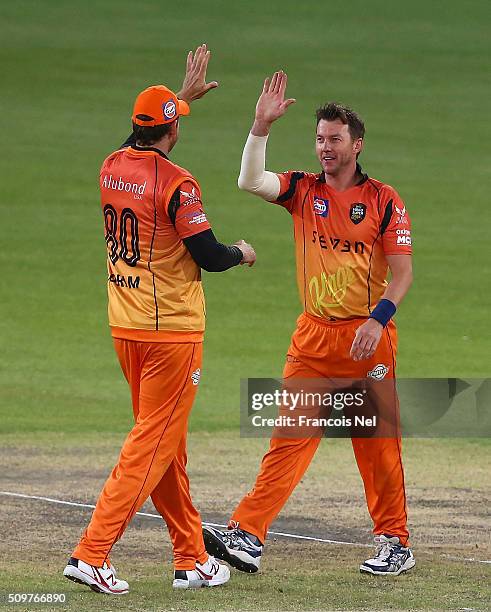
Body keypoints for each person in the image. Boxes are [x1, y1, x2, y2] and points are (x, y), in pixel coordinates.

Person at [203, 71, 415, 576]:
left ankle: (395, 543)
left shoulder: (384, 200)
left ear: (356, 144)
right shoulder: (302, 189)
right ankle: (248, 534)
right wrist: (260, 126)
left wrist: (376, 322)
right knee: (289, 437)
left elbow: (402, 274)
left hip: (367, 339)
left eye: (334, 139)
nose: (325, 147)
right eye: (319, 138)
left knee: (376, 444)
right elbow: (250, 181)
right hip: (313, 336)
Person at [63, 45, 256, 595]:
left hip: (125, 328)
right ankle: (92, 553)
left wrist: (179, 97)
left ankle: (191, 558)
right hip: (171, 331)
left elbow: (139, 140)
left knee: (164, 443)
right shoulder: (178, 182)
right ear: (170, 132)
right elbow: (209, 255)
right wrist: (242, 252)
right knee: (151, 445)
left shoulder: (110, 167)